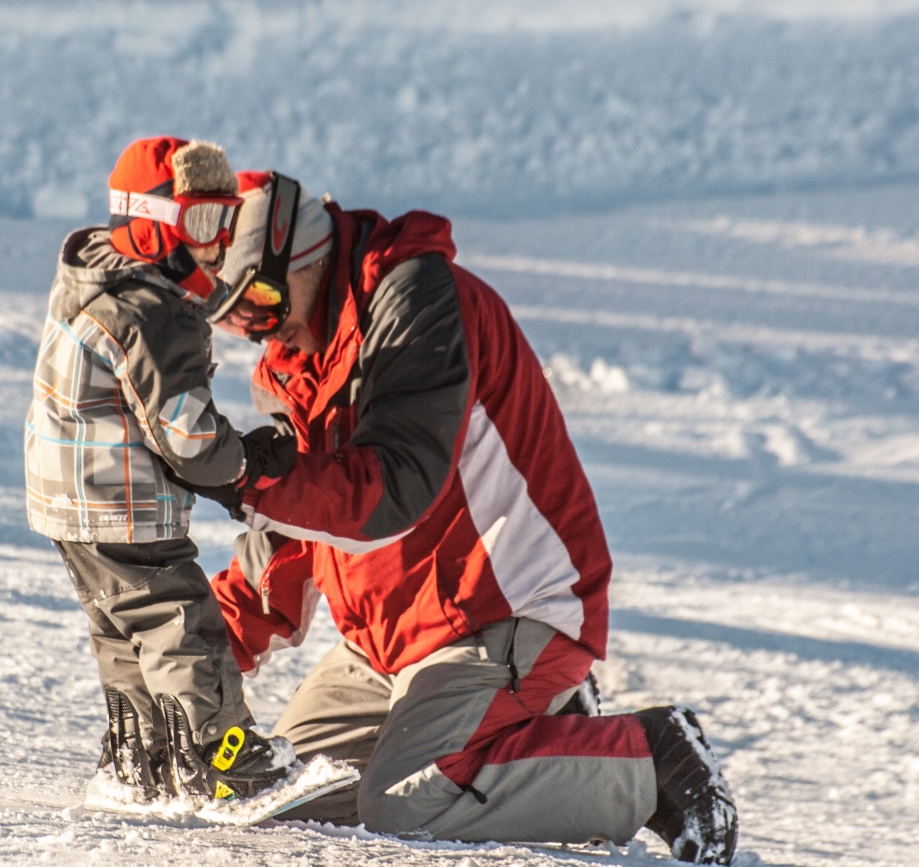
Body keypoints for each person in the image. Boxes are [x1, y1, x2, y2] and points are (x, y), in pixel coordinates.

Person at [193, 170, 739, 863]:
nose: (259, 331)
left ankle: (652, 761)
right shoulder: (295, 364)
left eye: (262, 305)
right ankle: (538, 728)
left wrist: (249, 476)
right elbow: (292, 528)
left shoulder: (419, 305)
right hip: (387, 642)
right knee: (272, 797)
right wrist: (204, 659)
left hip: (504, 611)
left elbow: (395, 486)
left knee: (405, 799)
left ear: (305, 256)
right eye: (238, 319)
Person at [23, 138, 297, 803]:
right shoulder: (151, 311)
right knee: (181, 623)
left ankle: (142, 757)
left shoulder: (97, 278)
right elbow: (187, 435)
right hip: (122, 500)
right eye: (202, 223)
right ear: (150, 221)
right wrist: (246, 462)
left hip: (69, 501)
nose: (216, 243)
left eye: (227, 223)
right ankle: (220, 757)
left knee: (122, 629)